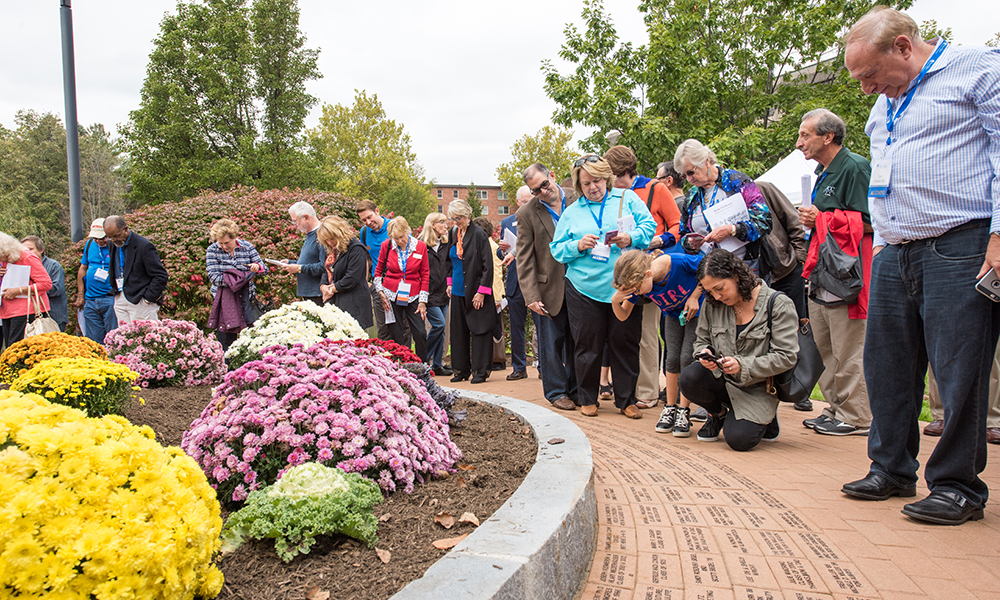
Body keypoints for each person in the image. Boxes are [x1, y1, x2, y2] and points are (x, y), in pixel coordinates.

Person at [840, 7, 1000, 525]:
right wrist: (883, 241)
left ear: (904, 47)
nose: (865, 90)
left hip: (962, 241)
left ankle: (957, 485)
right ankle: (891, 467)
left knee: (959, 371)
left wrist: (998, 237)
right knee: (886, 365)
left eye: (869, 75)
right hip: (895, 247)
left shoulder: (979, 70)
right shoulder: (884, 104)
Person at [550, 154, 656, 419]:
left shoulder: (627, 199)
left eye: (596, 180)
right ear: (578, 185)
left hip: (624, 287)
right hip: (583, 288)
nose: (592, 187)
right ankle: (587, 398)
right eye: (585, 183)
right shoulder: (572, 212)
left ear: (606, 178)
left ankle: (626, 400)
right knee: (587, 344)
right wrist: (577, 245)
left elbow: (649, 227)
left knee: (625, 342)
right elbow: (556, 249)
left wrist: (630, 237)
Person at [795, 108, 873, 437]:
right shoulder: (821, 172)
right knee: (825, 345)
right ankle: (836, 407)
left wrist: (822, 220)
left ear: (828, 137)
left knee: (849, 347)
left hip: (847, 274)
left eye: (805, 135)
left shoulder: (855, 167)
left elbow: (871, 221)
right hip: (821, 270)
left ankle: (856, 416)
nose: (798, 143)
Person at [678, 249, 798, 451]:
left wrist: (743, 365)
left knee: (739, 441)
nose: (716, 296)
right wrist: (705, 351)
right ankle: (718, 414)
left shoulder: (778, 304)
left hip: (758, 388)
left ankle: (765, 417)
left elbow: (786, 357)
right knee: (689, 378)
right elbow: (701, 340)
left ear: (735, 276)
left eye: (720, 288)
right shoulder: (712, 303)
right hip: (722, 380)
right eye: (710, 291)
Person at [605, 145, 682, 410]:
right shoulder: (610, 195)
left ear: (624, 172)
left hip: (648, 268)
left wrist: (655, 240)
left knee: (647, 332)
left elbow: (677, 227)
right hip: (621, 270)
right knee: (624, 331)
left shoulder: (655, 189)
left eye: (612, 175)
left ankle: (648, 390)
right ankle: (626, 386)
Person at [611, 249, 704, 436]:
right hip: (673, 314)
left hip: (697, 311)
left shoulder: (677, 262)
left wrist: (695, 296)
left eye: (637, 289)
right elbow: (623, 315)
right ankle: (670, 407)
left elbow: (707, 268)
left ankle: (683, 409)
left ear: (647, 274)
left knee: (686, 358)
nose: (636, 293)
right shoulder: (637, 284)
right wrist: (615, 302)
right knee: (671, 359)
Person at [518, 163, 579, 410]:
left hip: (581, 284)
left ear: (552, 176)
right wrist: (531, 295)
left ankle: (578, 390)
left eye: (544, 184)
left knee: (579, 342)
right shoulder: (527, 214)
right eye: (536, 190)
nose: (543, 191)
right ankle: (557, 392)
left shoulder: (579, 199)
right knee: (551, 345)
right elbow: (524, 258)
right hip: (548, 289)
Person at [673, 139, 772, 270]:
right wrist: (690, 242)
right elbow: (683, 233)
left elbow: (764, 222)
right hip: (710, 269)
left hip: (745, 266)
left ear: (706, 161)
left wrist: (732, 230)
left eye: (691, 172)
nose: (689, 179)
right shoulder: (692, 195)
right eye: (684, 176)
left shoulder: (737, 181)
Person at [446, 199, 495, 384]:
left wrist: (482, 292)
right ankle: (461, 370)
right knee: (458, 332)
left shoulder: (479, 235)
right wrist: (449, 283)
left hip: (476, 292)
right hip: (458, 291)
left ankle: (480, 372)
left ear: (468, 216)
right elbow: (449, 261)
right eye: (452, 218)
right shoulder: (454, 233)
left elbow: (487, 266)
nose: (455, 221)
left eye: (458, 218)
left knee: (479, 330)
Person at [205, 218, 267, 351]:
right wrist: (244, 277)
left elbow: (264, 269)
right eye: (220, 243)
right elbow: (215, 278)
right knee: (227, 345)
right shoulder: (212, 250)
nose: (224, 246)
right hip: (224, 304)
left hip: (247, 300)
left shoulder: (247, 247)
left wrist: (256, 267)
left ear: (235, 237)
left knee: (253, 340)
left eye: (227, 242)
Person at [374, 217, 429, 361]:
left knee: (420, 332)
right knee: (396, 334)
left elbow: (425, 274)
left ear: (407, 231)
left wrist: (422, 302)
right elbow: (378, 272)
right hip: (391, 293)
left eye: (401, 237)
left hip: (414, 294)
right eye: (395, 238)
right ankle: (400, 366)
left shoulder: (420, 246)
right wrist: (380, 293)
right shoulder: (386, 246)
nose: (399, 241)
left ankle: (423, 365)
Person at [497, 186, 536, 381]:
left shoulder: (539, 218)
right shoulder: (507, 222)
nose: (529, 204)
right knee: (516, 327)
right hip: (515, 281)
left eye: (532, 200)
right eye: (526, 201)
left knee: (541, 326)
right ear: (518, 202)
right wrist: (502, 249)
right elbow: (500, 253)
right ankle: (519, 368)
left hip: (536, 281)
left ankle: (545, 367)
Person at [357, 200, 409, 343]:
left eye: (369, 217)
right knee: (383, 327)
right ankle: (386, 362)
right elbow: (366, 257)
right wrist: (366, 280)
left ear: (377, 211)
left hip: (401, 285)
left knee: (404, 324)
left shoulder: (393, 226)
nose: (368, 222)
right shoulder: (365, 232)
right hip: (379, 285)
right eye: (364, 220)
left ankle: (407, 361)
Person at [104, 215, 169, 324]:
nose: (114, 240)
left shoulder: (144, 246)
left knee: (145, 337)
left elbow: (160, 275)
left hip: (140, 300)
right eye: (110, 237)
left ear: (125, 229)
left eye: (116, 235)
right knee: (124, 338)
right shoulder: (112, 244)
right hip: (120, 296)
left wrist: (147, 299)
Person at [315, 215, 373, 331]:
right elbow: (326, 270)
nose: (330, 242)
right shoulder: (332, 250)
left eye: (331, 239)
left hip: (353, 304)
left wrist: (331, 289)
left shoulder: (357, 249)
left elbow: (352, 278)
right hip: (334, 303)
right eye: (326, 240)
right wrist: (323, 287)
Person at [0, 232, 53, 347]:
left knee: (19, 350)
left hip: (26, 312)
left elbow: (46, 284)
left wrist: (18, 290)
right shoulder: (4, 260)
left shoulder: (27, 257)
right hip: (6, 312)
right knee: (10, 350)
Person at [418, 212, 452, 375]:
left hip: (444, 292)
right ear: (432, 224)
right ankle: (423, 360)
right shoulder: (420, 245)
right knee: (438, 324)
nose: (446, 226)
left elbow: (449, 266)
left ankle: (437, 365)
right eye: (442, 223)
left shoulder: (447, 243)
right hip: (428, 293)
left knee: (442, 329)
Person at [75, 218, 118, 344]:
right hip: (91, 299)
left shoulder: (116, 247)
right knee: (94, 340)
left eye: (102, 237)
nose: (99, 241)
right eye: (96, 238)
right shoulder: (90, 245)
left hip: (110, 298)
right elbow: (82, 269)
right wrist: (81, 294)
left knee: (112, 338)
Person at [276, 201, 326, 305]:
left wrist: (299, 268)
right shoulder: (310, 235)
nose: (295, 225)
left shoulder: (322, 235)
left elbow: (325, 266)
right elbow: (310, 260)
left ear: (306, 218)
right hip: (309, 292)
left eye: (295, 221)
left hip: (318, 293)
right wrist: (290, 263)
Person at [474, 216, 507, 371]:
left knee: (495, 328)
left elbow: (495, 273)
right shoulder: (482, 245)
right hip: (487, 292)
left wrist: (497, 297)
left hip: (493, 294)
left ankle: (498, 359)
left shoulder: (491, 247)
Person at [21, 236, 68, 332]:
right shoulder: (22, 267)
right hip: (31, 316)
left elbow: (57, 289)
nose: (26, 252)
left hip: (53, 315)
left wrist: (34, 289)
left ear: (41, 249)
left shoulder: (53, 266)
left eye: (30, 249)